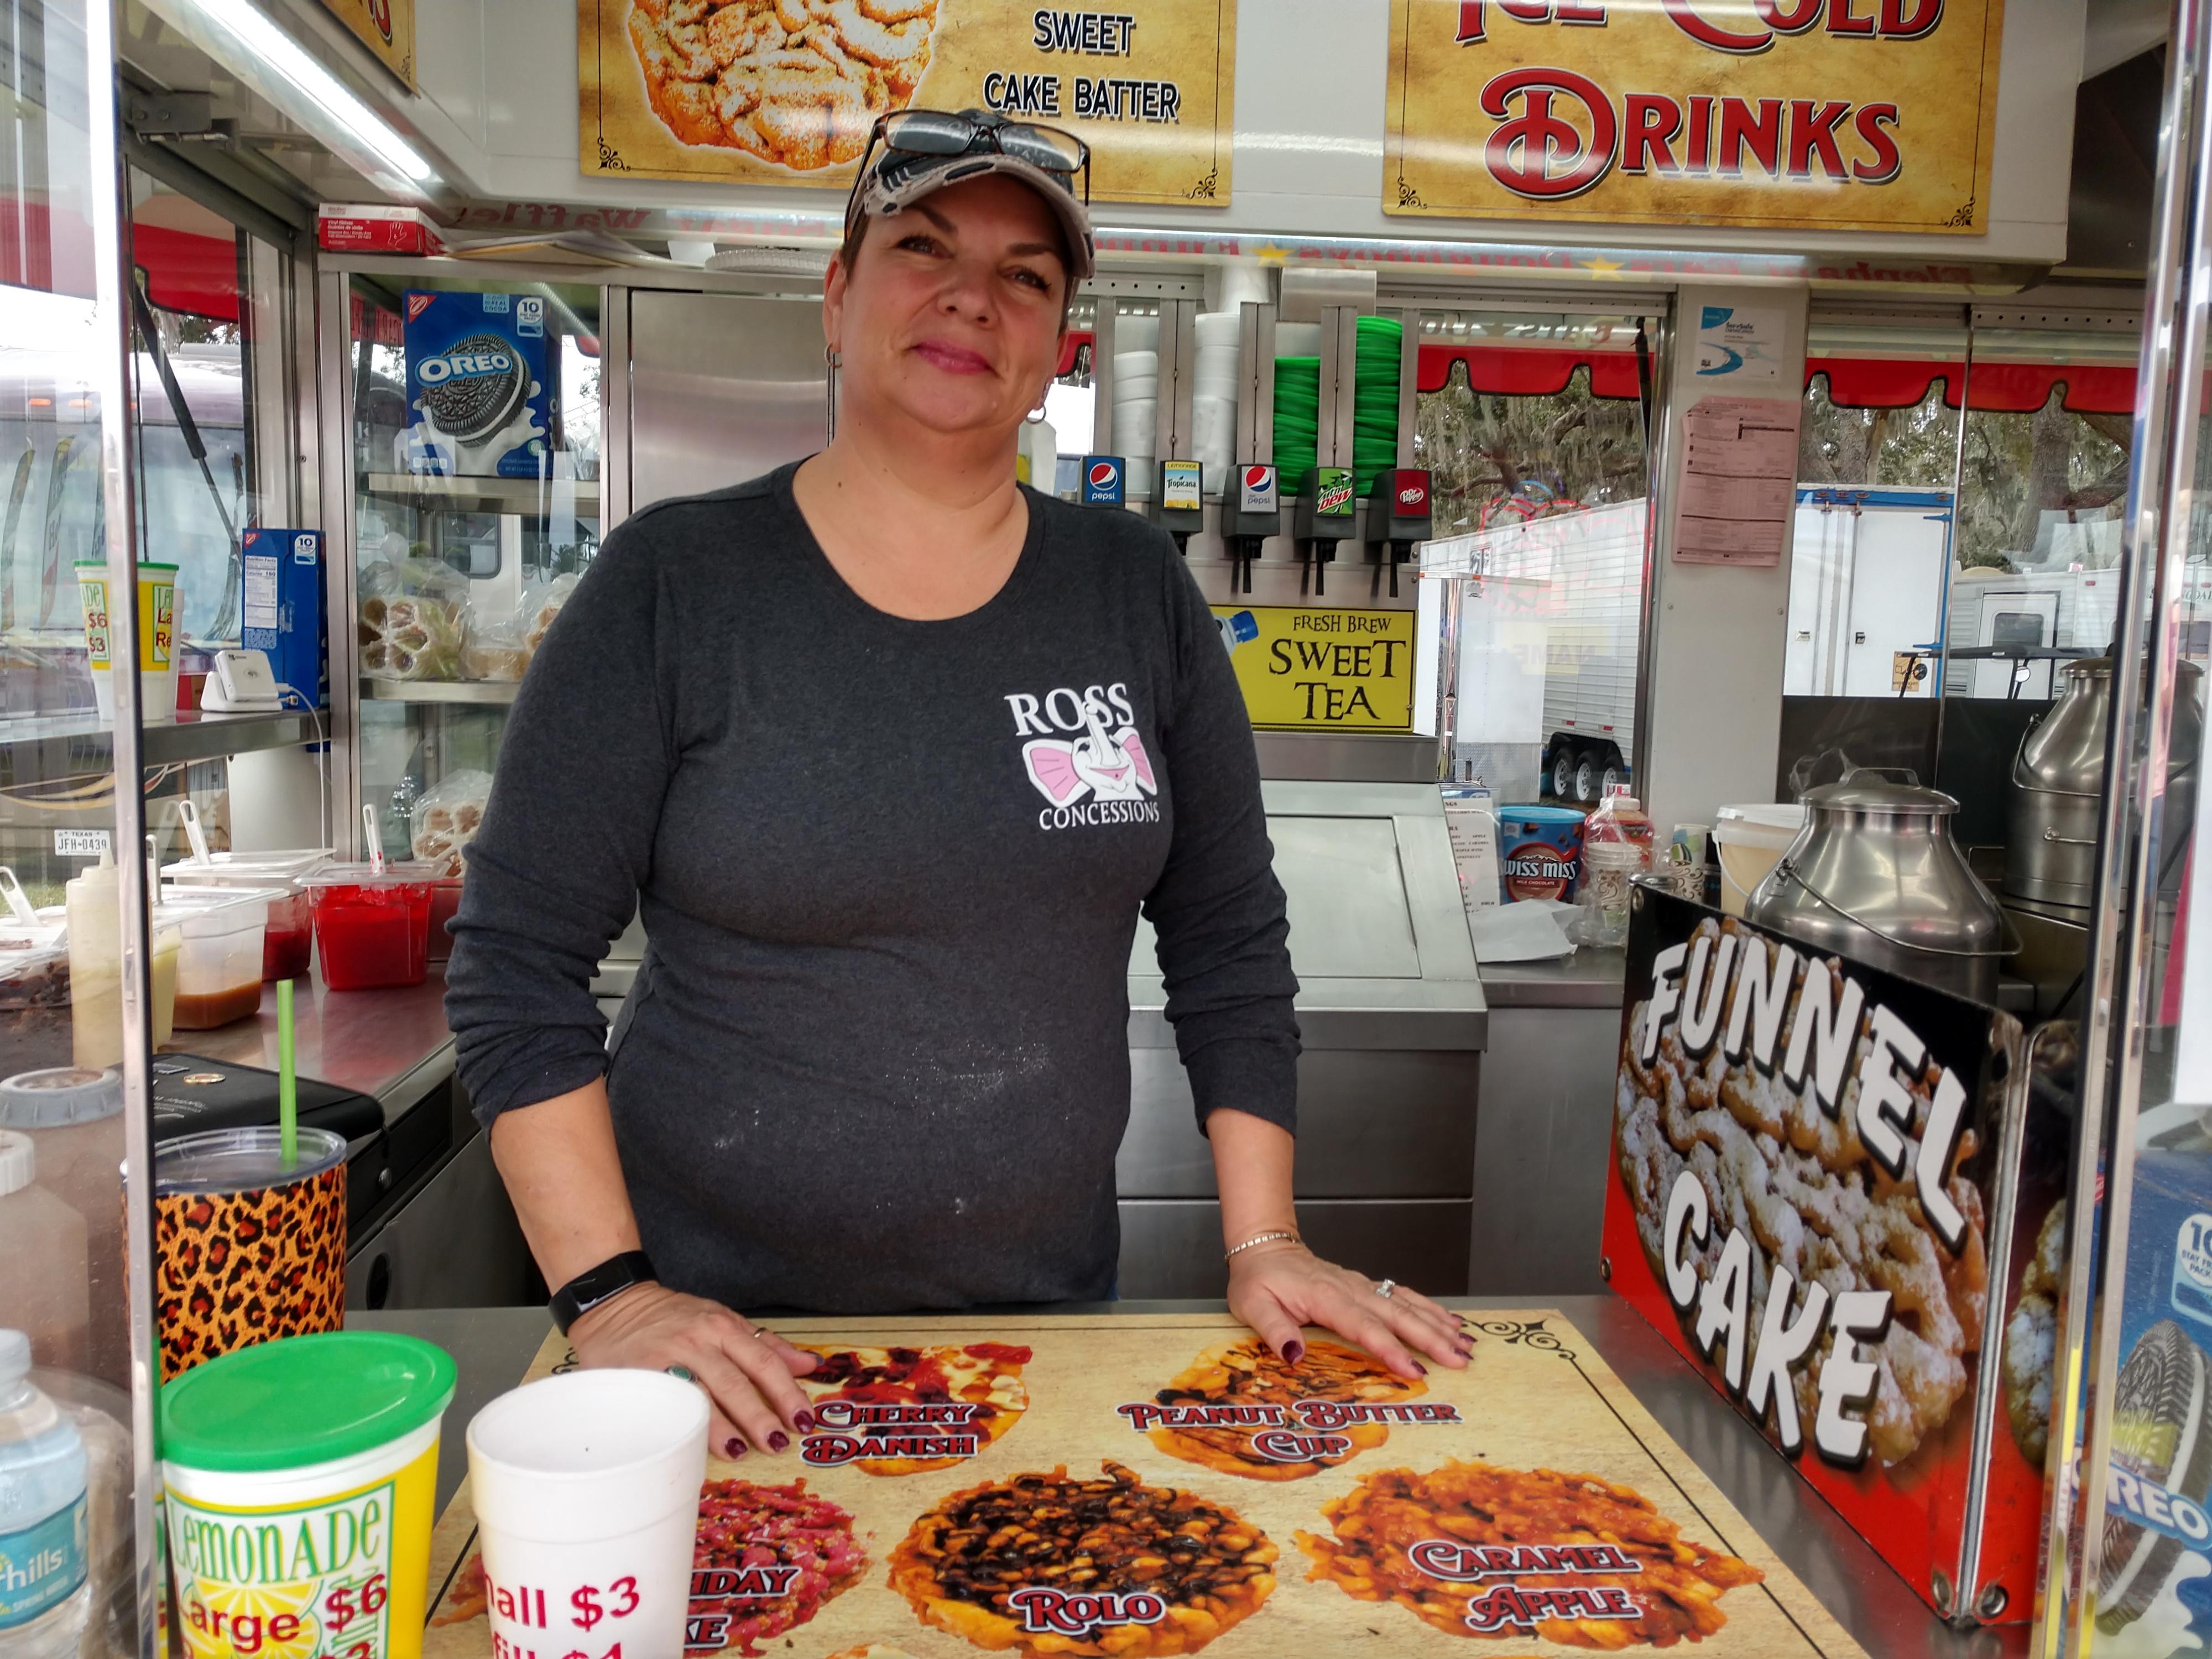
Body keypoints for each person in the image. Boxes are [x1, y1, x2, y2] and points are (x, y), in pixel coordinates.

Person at [445, 109, 1471, 1461]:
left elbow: (1227, 940)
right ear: (837, 294)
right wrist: (611, 1295)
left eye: (1025, 276)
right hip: (714, 1346)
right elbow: (516, 965)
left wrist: (1265, 1238)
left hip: (1036, 1327)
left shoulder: (1131, 594)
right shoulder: (676, 586)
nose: (969, 299)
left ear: (1058, 346)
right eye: (921, 246)